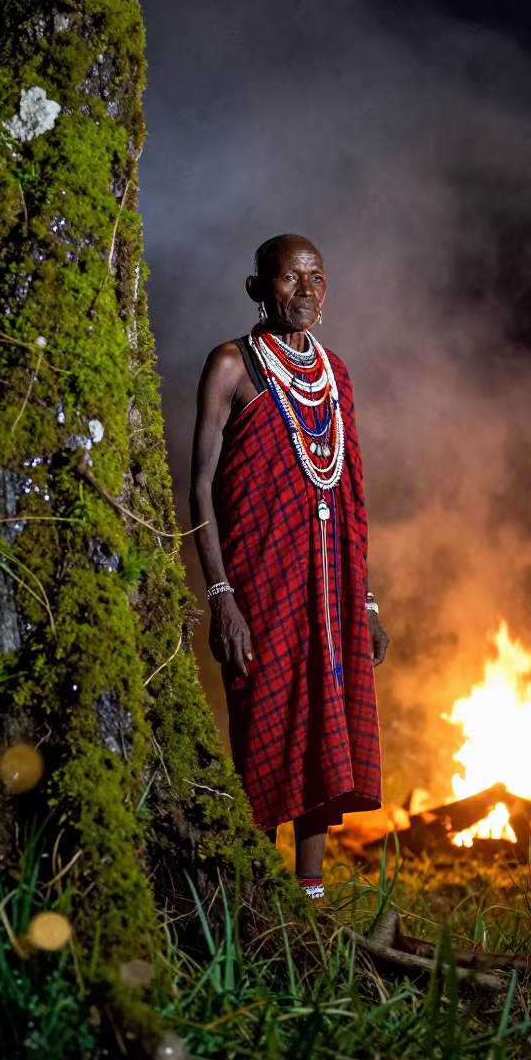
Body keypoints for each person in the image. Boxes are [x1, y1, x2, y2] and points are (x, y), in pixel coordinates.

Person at [190, 234, 388, 902]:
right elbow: (198, 488)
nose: (305, 292)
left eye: (317, 279)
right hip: (259, 589)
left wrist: (365, 603)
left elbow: (351, 495)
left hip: (329, 587)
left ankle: (309, 897)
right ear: (256, 288)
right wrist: (222, 597)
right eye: (289, 278)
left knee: (325, 729)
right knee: (265, 731)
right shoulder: (231, 365)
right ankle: (251, 895)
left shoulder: (336, 374)